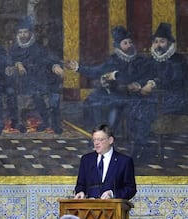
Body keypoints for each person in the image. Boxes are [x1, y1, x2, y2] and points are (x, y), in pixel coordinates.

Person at [66, 26, 151, 134]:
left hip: (132, 94)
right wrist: (78, 68)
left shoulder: (139, 60)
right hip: (115, 92)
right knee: (95, 103)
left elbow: (139, 77)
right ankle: (100, 134)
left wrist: (117, 76)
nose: (129, 45)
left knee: (114, 106)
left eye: (130, 42)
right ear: (118, 46)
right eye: (125, 43)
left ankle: (110, 135)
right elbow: (97, 71)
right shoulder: (113, 59)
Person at [128, 22, 188, 159]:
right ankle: (142, 147)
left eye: (162, 41)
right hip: (157, 97)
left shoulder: (178, 60)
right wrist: (138, 84)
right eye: (156, 42)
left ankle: (138, 149)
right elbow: (144, 77)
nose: (158, 45)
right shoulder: (152, 59)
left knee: (145, 110)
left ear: (169, 43)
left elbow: (175, 81)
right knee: (133, 105)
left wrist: (153, 83)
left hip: (177, 98)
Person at [8, 16, 64, 133]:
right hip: (20, 80)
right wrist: (17, 63)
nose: (23, 35)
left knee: (39, 96)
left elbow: (48, 59)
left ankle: (46, 122)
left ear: (30, 33)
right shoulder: (14, 49)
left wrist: (55, 66)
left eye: (25, 32)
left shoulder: (38, 48)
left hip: (38, 78)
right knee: (18, 97)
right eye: (20, 32)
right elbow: (9, 61)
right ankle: (18, 122)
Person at [74, 124, 136, 200]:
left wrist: (112, 194)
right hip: (90, 208)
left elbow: (130, 189)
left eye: (100, 140)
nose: (96, 143)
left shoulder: (124, 161)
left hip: (114, 209)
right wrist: (80, 192)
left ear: (110, 140)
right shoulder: (86, 160)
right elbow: (80, 185)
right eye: (94, 140)